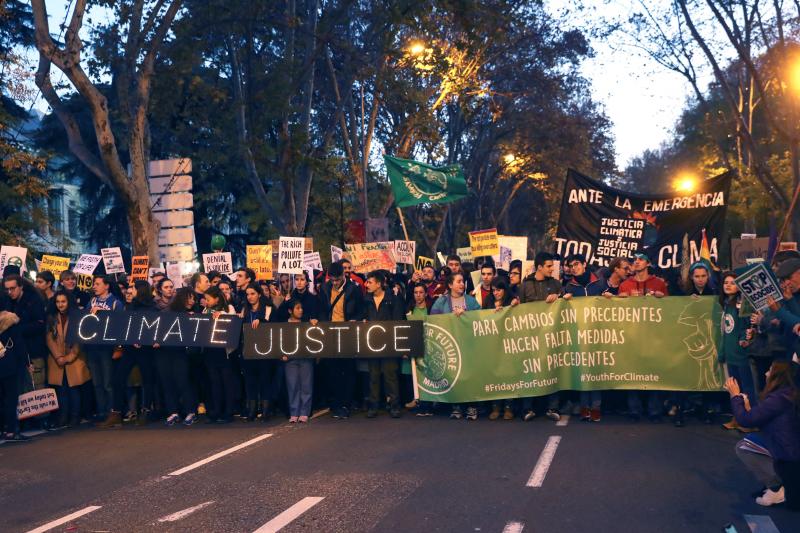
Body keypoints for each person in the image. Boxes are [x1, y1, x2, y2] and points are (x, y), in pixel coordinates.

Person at [726, 360, 800, 509]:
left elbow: (745, 421)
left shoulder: (779, 398)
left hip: (787, 452)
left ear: (778, 377)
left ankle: (776, 487)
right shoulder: (788, 394)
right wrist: (747, 407)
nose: (766, 373)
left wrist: (735, 396)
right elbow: (760, 419)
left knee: (744, 447)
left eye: (770, 370)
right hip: (789, 447)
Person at [618, 253, 667, 422]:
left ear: (648, 263)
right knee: (632, 371)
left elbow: (668, 311)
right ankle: (634, 409)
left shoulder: (659, 283)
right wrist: (619, 300)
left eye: (640, 259)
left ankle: (655, 409)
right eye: (634, 260)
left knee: (653, 370)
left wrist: (663, 299)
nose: (636, 262)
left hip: (653, 336)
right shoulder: (625, 285)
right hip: (632, 335)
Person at [518, 252, 563, 422]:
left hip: (551, 336)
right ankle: (527, 408)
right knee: (529, 369)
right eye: (549, 266)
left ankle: (553, 407)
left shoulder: (556, 284)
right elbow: (519, 310)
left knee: (552, 368)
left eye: (553, 266)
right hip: (530, 337)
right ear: (539, 267)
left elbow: (564, 306)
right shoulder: (525, 286)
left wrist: (558, 298)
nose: (552, 269)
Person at [431, 271, 481, 420]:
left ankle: (472, 407)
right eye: (458, 281)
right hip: (450, 345)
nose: (462, 284)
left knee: (470, 375)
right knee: (455, 375)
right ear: (450, 285)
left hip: (468, 344)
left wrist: (466, 314)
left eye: (463, 281)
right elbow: (434, 319)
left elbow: (481, 317)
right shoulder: (442, 302)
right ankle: (456, 406)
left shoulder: (471, 301)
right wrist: (451, 317)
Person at [318, 261, 364, 420]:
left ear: (344, 275)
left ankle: (346, 403)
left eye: (338, 280)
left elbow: (361, 310)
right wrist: (324, 323)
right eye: (332, 280)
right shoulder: (324, 288)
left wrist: (354, 320)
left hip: (347, 333)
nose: (335, 283)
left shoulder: (354, 289)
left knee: (348, 370)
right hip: (330, 333)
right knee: (333, 370)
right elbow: (322, 310)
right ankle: (337, 402)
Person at [112, 280, 157, 426]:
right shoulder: (130, 306)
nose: (130, 290)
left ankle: (145, 411)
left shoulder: (152, 309)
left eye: (133, 288)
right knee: (119, 379)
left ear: (140, 290)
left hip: (145, 350)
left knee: (147, 380)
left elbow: (154, 328)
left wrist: (143, 340)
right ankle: (116, 412)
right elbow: (127, 326)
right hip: (130, 350)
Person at [364, 270, 406, 419]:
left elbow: (399, 320)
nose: (366, 284)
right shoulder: (366, 299)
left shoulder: (393, 298)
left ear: (379, 284)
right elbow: (363, 317)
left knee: (390, 375)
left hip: (389, 343)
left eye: (370, 282)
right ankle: (373, 406)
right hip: (372, 343)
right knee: (373, 375)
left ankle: (394, 406)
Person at [718, 271, 757, 431]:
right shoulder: (727, 304)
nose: (728, 285)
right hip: (730, 354)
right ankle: (737, 417)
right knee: (735, 387)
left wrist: (744, 339)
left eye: (732, 282)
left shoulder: (743, 304)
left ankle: (750, 421)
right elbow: (725, 331)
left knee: (747, 388)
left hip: (740, 354)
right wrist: (723, 352)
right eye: (726, 282)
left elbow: (747, 326)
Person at [46, 291, 90, 427]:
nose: (60, 304)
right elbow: (49, 339)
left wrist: (70, 356)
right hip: (57, 358)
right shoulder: (52, 317)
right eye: (58, 302)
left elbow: (80, 338)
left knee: (74, 389)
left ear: (69, 302)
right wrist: (59, 356)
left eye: (63, 302)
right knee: (62, 390)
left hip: (73, 358)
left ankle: (75, 417)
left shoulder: (76, 317)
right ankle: (63, 417)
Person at [86, 275, 124, 427]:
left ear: (107, 286)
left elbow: (120, 324)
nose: (94, 286)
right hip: (93, 347)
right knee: (97, 382)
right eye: (94, 284)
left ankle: (112, 412)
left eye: (97, 284)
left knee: (108, 382)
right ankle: (102, 412)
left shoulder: (115, 303)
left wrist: (118, 347)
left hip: (107, 348)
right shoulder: (91, 302)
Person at [157, 288, 197, 426]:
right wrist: (155, 340)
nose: (192, 301)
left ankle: (190, 411)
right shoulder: (165, 313)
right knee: (167, 382)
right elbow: (157, 331)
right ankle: (173, 412)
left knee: (182, 381)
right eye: (190, 298)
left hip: (180, 353)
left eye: (194, 298)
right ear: (182, 298)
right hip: (164, 352)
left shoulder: (189, 314)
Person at [202, 285, 238, 423]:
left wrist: (221, 316)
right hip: (210, 351)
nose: (206, 302)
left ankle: (228, 411)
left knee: (226, 382)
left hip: (224, 352)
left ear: (217, 299)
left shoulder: (229, 308)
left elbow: (232, 323)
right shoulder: (206, 310)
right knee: (214, 382)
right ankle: (217, 410)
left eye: (208, 299)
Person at [241, 282, 275, 421]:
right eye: (247, 294)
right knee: (250, 381)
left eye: (253, 294)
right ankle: (252, 410)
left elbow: (275, 326)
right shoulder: (244, 310)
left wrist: (261, 320)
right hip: (248, 350)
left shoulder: (268, 309)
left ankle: (266, 410)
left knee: (265, 380)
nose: (250, 297)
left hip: (264, 350)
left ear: (259, 294)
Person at [488, 276, 516, 421]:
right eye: (493, 290)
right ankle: (496, 406)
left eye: (498, 290)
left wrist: (510, 307)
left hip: (508, 344)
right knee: (495, 376)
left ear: (505, 290)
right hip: (493, 345)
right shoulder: (488, 302)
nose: (496, 293)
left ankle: (508, 407)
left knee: (508, 376)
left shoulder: (511, 301)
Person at [283, 299, 314, 423]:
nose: (300, 310)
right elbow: (280, 341)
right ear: (290, 310)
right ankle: (294, 412)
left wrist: (314, 322)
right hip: (290, 360)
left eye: (301, 308)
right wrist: (282, 354)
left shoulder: (307, 323)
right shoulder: (284, 325)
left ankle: (304, 412)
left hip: (305, 358)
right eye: (297, 308)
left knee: (306, 386)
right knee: (292, 386)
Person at [0, 308, 27, 441]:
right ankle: (11, 430)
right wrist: (27, 363)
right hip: (10, 366)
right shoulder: (12, 325)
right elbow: (20, 346)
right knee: (11, 399)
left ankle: (2, 429)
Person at [405, 282, 432, 416]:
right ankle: (418, 401)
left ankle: (428, 404)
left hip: (429, 345)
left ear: (426, 294)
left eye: (421, 292)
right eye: (416, 292)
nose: (418, 295)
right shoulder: (409, 309)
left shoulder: (431, 308)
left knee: (427, 375)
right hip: (414, 346)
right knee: (414, 375)